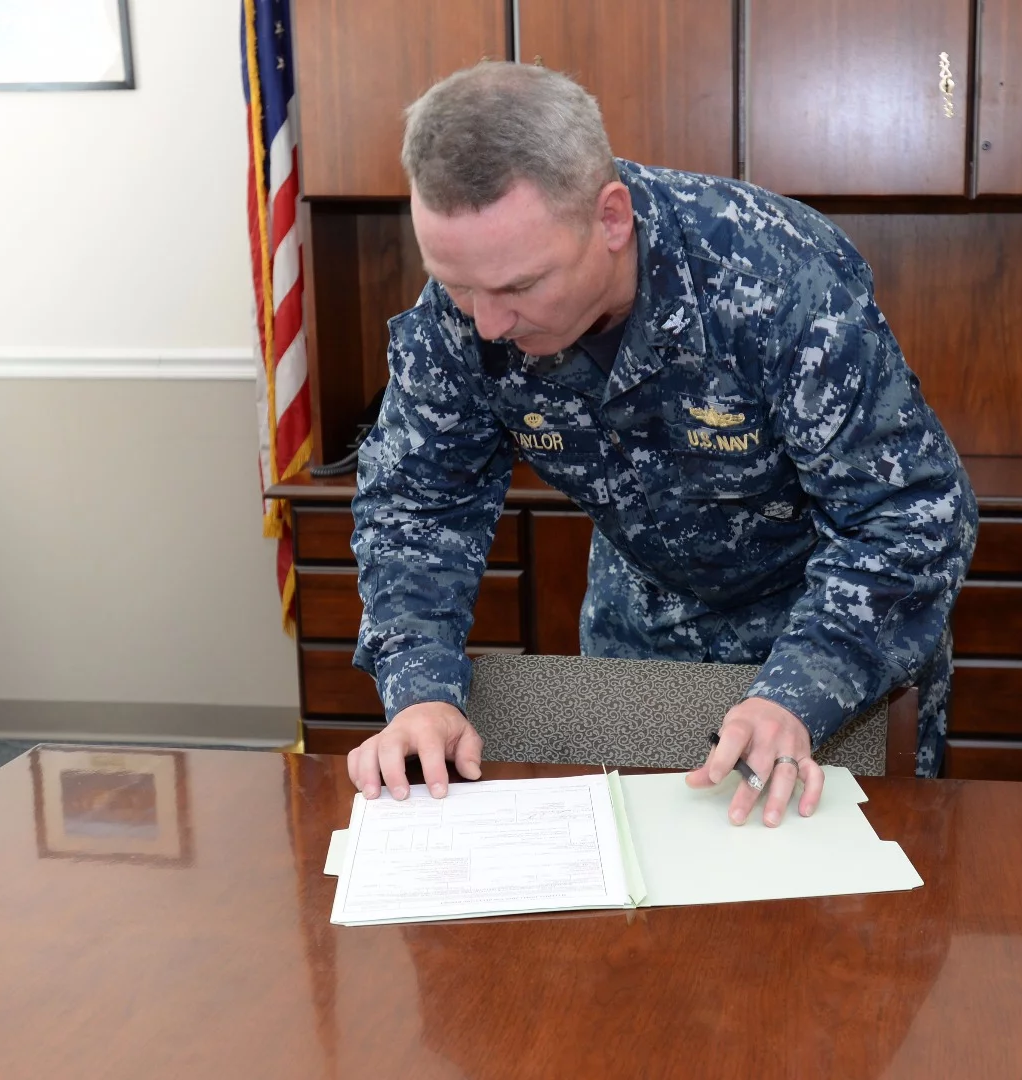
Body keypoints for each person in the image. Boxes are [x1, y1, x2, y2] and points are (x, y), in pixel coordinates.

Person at [345, 62, 978, 826]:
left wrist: (799, 690)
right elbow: (419, 506)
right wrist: (419, 693)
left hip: (829, 634)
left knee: (832, 911)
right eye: (454, 283)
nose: (485, 322)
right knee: (644, 900)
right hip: (640, 633)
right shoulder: (470, 303)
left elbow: (910, 513)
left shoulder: (772, 274)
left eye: (518, 288)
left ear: (610, 219)